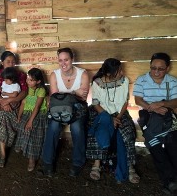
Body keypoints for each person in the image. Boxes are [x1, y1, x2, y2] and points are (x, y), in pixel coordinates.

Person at [86, 58, 139, 184]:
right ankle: (97, 164)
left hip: (120, 113)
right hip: (102, 113)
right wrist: (109, 118)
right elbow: (96, 104)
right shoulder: (97, 83)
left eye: (121, 69)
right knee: (99, 132)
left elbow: (125, 102)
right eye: (118, 71)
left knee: (127, 134)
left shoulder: (124, 81)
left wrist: (118, 118)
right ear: (109, 74)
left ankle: (130, 166)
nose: (121, 72)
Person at [133, 52, 177, 194]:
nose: (156, 72)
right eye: (153, 68)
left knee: (173, 146)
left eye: (161, 69)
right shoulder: (142, 80)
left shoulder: (172, 81)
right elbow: (138, 100)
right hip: (148, 118)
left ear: (167, 68)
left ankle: (171, 181)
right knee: (155, 147)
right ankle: (169, 181)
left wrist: (162, 103)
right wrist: (153, 108)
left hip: (168, 117)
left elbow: (176, 101)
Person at [42, 47, 89, 177]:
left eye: (66, 60)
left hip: (77, 108)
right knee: (53, 126)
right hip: (58, 108)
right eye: (60, 60)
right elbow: (55, 97)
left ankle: (77, 163)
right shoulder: (54, 75)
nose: (63, 64)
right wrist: (74, 92)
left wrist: (66, 94)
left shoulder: (82, 74)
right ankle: (47, 162)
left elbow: (83, 97)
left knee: (77, 128)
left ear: (72, 59)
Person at [15, 68, 48, 172]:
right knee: (20, 126)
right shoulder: (27, 89)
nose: (28, 81)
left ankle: (32, 159)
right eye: (28, 78)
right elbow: (23, 103)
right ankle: (23, 147)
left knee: (31, 130)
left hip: (38, 114)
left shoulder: (41, 90)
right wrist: (19, 116)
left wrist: (30, 121)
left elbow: (37, 107)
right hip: (27, 112)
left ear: (38, 81)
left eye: (31, 80)